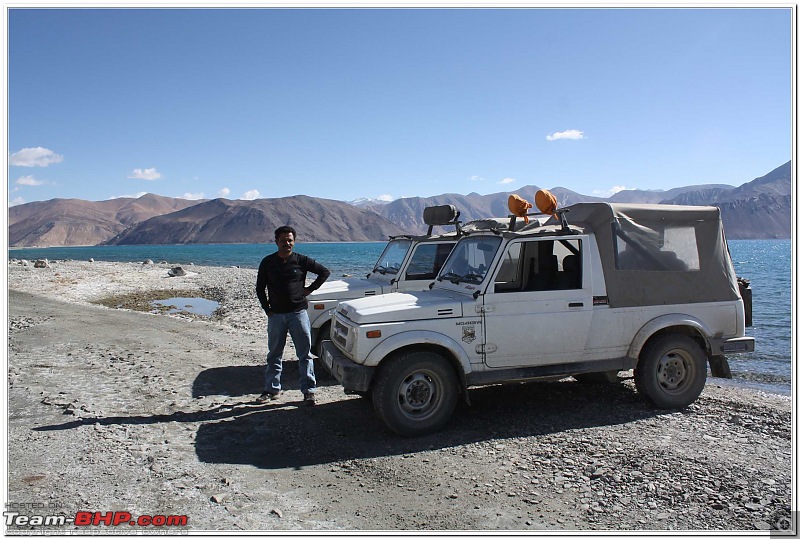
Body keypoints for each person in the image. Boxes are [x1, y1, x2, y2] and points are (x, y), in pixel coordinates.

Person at [255, 225, 330, 406]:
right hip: (276, 316)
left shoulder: (301, 260)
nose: (287, 243)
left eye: (290, 240)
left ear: (294, 242)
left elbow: (324, 272)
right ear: (276, 242)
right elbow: (259, 288)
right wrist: (268, 310)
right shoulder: (268, 262)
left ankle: (309, 391)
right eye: (283, 240)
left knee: (305, 354)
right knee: (274, 354)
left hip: (298, 313)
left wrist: (309, 289)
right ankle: (272, 389)